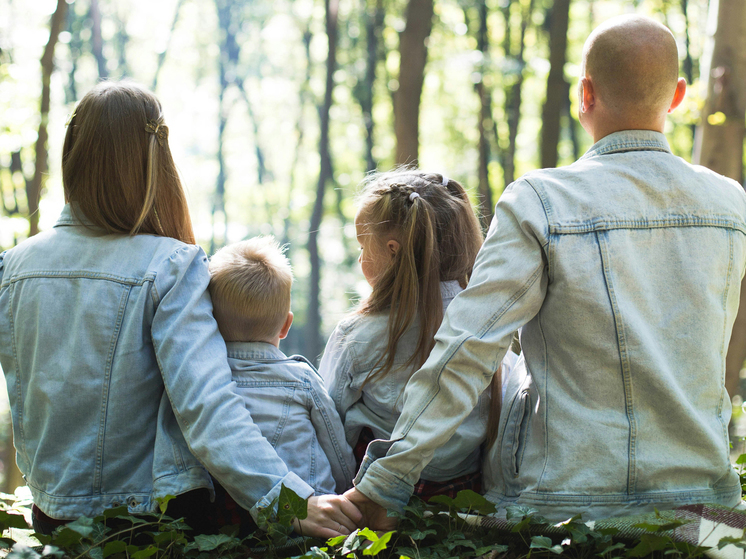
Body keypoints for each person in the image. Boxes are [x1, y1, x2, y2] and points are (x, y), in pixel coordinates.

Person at [345, 15, 746, 526]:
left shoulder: (541, 201)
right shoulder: (730, 204)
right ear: (677, 96)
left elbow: (468, 348)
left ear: (585, 94)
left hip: (563, 506)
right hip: (706, 506)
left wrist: (387, 482)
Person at [0, 81, 360, 537]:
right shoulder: (170, 265)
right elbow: (207, 406)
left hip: (52, 519)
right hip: (147, 524)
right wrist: (289, 502)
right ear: (155, 161)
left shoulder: (12, 266)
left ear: (73, 152)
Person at [319, 170, 520, 501]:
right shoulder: (489, 332)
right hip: (463, 498)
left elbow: (328, 422)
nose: (359, 259)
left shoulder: (357, 335)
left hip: (371, 499)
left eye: (362, 246)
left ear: (393, 250)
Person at [205, 236, 355, 533]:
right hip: (310, 520)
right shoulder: (301, 379)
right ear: (286, 325)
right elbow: (337, 451)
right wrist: (344, 491)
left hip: (231, 526)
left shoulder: (205, 383)